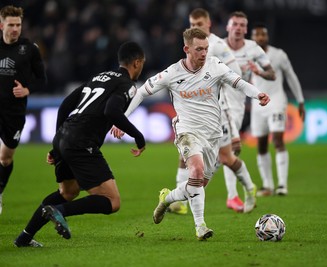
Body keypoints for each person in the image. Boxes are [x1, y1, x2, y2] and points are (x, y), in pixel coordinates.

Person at [112, 28, 270, 240]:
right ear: (186, 49)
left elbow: (238, 82)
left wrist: (257, 94)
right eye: (198, 49)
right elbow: (141, 92)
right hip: (187, 132)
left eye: (206, 49)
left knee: (196, 186)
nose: (204, 53)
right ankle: (201, 227)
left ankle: (167, 198)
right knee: (195, 171)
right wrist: (122, 119)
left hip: (213, 135)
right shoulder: (172, 73)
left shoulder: (215, 66)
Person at [13, 41, 146, 247]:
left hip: (65, 135)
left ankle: (24, 237)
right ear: (137, 63)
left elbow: (65, 105)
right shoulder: (127, 85)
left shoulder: (98, 77)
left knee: (67, 192)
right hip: (82, 142)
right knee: (112, 201)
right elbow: (111, 111)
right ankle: (61, 212)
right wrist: (138, 137)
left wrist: (57, 144)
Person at [168, 8, 257, 214]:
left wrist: (233, 129)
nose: (194, 27)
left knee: (226, 158)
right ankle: (180, 202)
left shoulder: (217, 47)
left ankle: (247, 188)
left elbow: (235, 75)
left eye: (199, 24)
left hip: (221, 112)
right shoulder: (193, 47)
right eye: (191, 24)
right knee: (186, 153)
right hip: (198, 114)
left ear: (208, 25)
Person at [224, 11, 276, 206]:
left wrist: (259, 71)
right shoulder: (216, 47)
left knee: (227, 151)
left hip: (236, 106)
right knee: (216, 152)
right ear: (228, 27)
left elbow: (272, 74)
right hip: (213, 104)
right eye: (234, 24)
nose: (238, 28)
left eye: (242, 25)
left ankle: (234, 194)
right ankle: (238, 192)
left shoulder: (253, 49)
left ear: (246, 29)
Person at [0, 5, 47, 215]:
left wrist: (27, 89)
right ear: (2, 25)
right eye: (11, 25)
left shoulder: (29, 49)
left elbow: (42, 80)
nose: (15, 29)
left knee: (5, 158)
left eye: (18, 25)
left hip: (14, 113)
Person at [250, 24, 305, 196]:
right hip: (257, 105)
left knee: (278, 140)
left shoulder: (278, 54)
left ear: (267, 37)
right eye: (257, 35)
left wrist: (300, 100)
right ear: (252, 37)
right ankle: (267, 186)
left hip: (276, 102)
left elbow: (291, 76)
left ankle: (282, 185)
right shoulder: (248, 55)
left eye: (262, 35)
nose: (260, 38)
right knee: (261, 145)